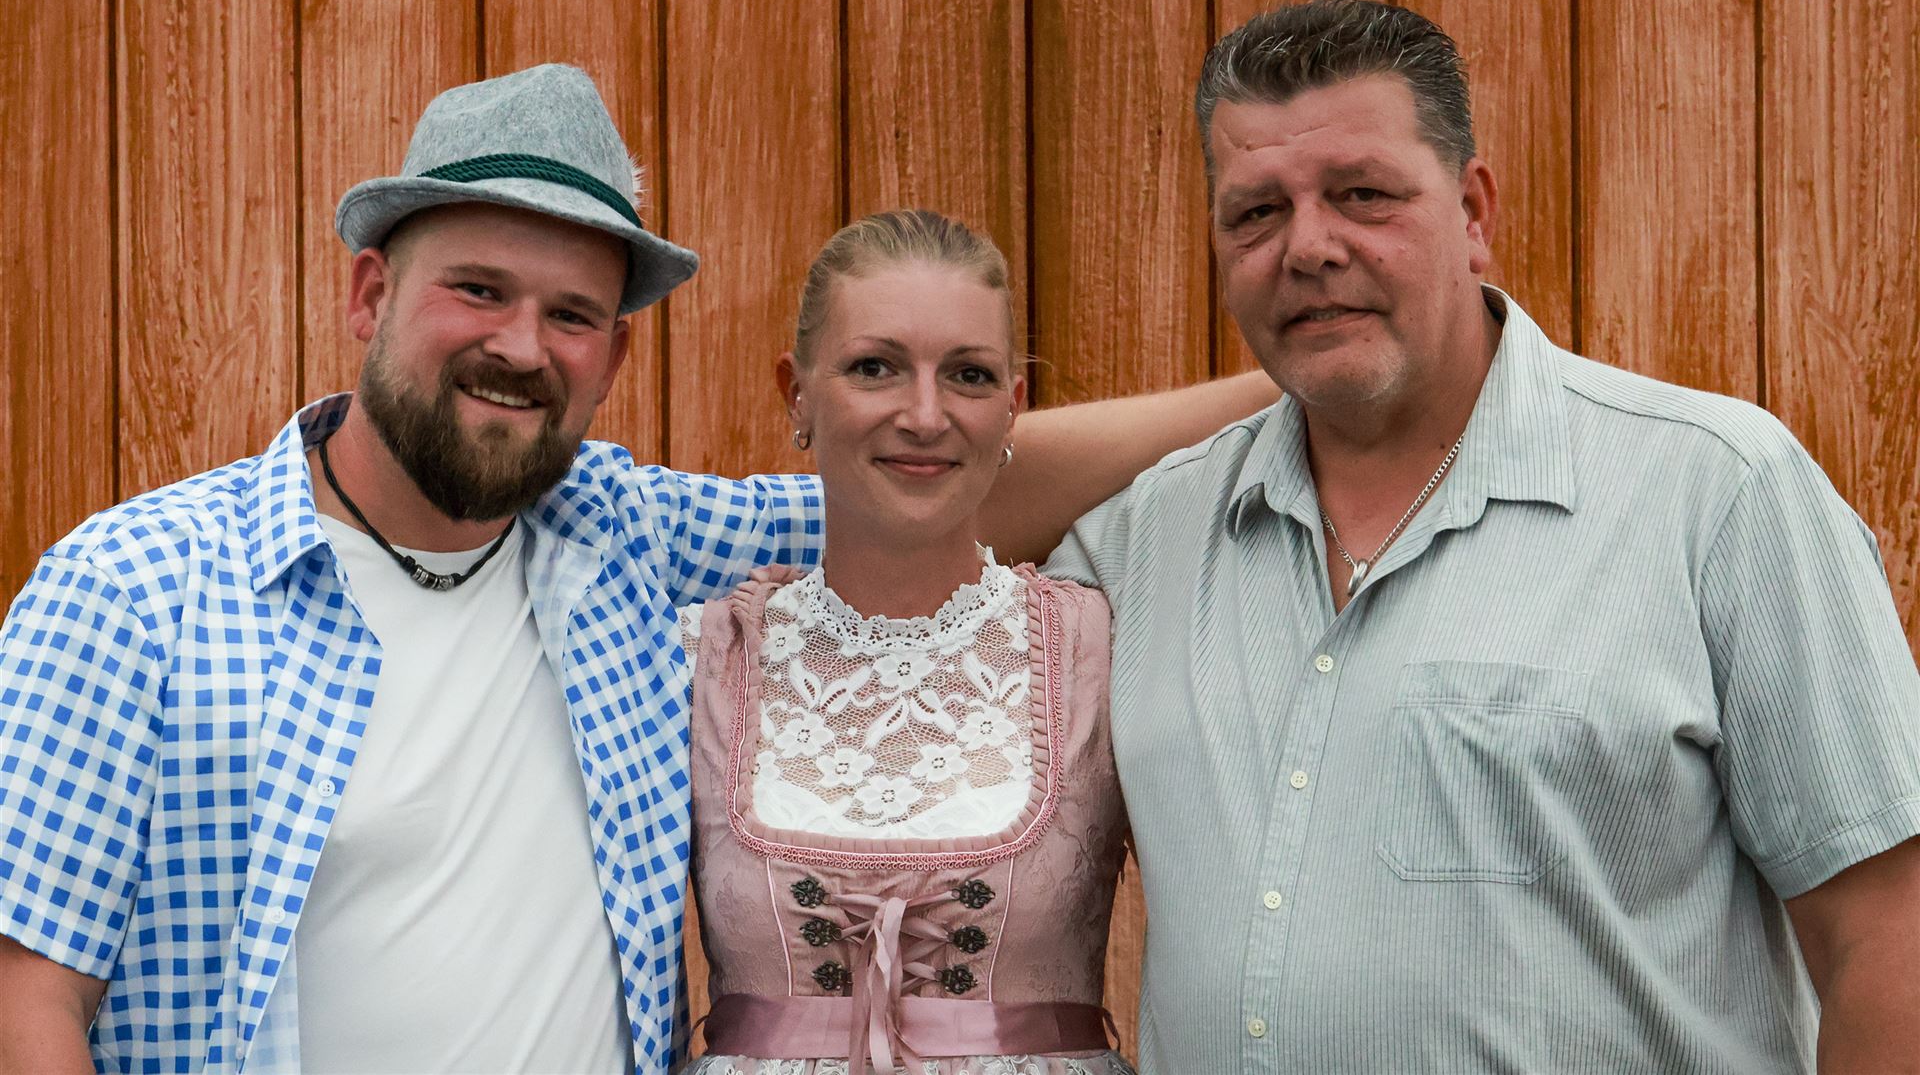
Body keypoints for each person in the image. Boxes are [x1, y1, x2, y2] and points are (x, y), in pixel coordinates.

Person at [0, 67, 1275, 1075]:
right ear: (369, 294)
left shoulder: (614, 533)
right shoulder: (136, 588)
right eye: (478, 290)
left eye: (571, 314)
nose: (521, 346)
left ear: (611, 357)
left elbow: (924, 478)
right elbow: (27, 998)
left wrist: (1294, 383)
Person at [1046, 0, 1920, 1073]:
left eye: (1363, 195)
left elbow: (1889, 933)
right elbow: (901, 502)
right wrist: (1279, 381)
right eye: (1256, 214)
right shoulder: (1140, 539)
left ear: (1473, 209)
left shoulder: (1714, 492)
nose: (1308, 247)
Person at [678, 210, 1133, 1075]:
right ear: (796, 394)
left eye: (968, 374)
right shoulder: (704, 657)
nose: (925, 415)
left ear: (1012, 406)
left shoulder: (1098, 649)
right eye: (874, 367)